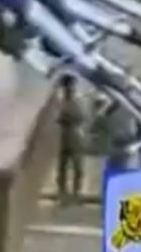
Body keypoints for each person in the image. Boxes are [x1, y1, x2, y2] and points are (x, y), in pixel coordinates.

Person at [56, 75, 86, 205]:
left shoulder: (77, 100)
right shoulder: (60, 101)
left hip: (73, 135)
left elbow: (82, 116)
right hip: (64, 135)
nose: (72, 88)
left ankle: (75, 193)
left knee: (77, 168)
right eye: (70, 86)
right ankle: (63, 194)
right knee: (63, 168)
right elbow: (59, 117)